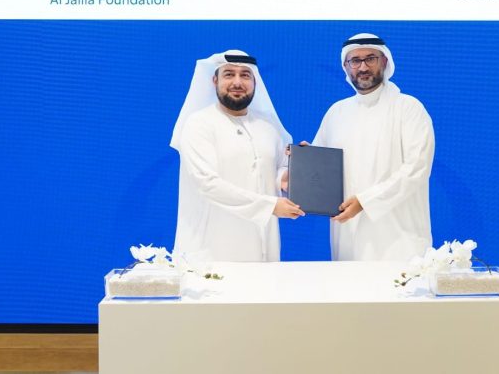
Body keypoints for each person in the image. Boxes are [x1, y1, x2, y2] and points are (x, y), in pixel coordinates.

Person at [170, 50, 303, 262]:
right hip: (213, 250)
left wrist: (288, 177)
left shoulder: (268, 127)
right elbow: (207, 184)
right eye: (229, 74)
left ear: (255, 82)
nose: (237, 82)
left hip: (264, 245)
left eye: (245, 75)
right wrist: (269, 206)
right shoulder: (199, 124)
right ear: (215, 81)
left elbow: (277, 168)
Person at [312, 33, 435, 261]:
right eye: (355, 61)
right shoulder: (336, 113)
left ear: (385, 62)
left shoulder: (408, 108)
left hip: (400, 239)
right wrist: (302, 160)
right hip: (348, 236)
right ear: (346, 67)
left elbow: (416, 170)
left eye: (370, 59)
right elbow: (320, 166)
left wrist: (365, 201)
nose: (363, 67)